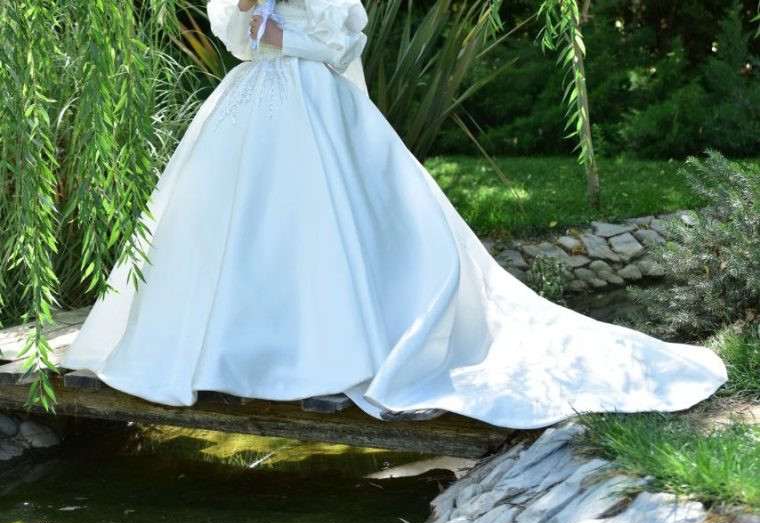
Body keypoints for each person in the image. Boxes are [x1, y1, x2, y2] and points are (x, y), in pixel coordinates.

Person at [60, 0, 728, 428]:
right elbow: (239, 36)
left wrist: (277, 28)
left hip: (313, 104)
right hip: (250, 98)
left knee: (321, 226)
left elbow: (337, 41)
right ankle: (216, 356)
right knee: (225, 226)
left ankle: (328, 359)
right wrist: (250, 15)